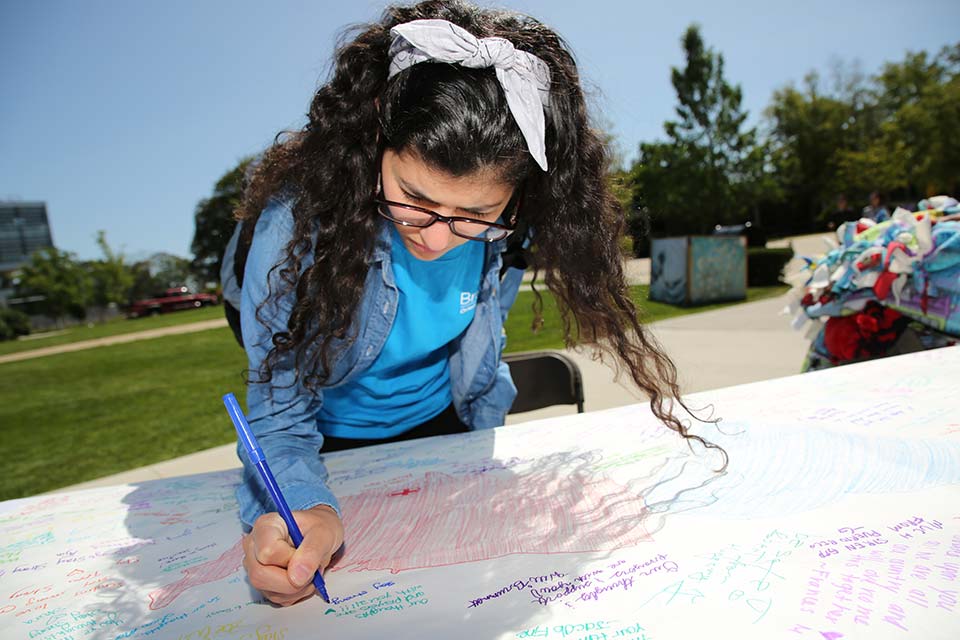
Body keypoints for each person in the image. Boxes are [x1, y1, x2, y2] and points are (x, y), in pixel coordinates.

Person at [226, 0, 724, 608]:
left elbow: (482, 356)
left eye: (475, 216)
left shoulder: (516, 230)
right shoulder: (295, 223)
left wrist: (475, 446)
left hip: (448, 430)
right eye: (412, 196)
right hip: (324, 448)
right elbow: (277, 412)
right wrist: (301, 508)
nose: (435, 238)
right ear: (377, 130)